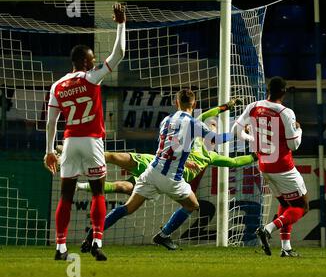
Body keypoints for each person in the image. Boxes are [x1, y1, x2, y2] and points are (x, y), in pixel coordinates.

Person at [75, 101, 257, 251]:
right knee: (118, 162)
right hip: (164, 171)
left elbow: (234, 162)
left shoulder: (211, 156)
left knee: (127, 197)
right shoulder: (196, 139)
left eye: (215, 127)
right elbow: (203, 118)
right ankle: (84, 160)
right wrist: (224, 108)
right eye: (211, 126)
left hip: (156, 173)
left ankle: (93, 232)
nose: (212, 128)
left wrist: (254, 156)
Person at [43, 3, 126, 261]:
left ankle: (60, 247)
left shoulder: (57, 86)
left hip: (68, 143)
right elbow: (119, 54)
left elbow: (50, 123)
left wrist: (48, 151)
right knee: (98, 191)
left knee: (65, 196)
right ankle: (97, 241)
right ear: (83, 61)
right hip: (92, 142)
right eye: (91, 59)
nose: (93, 62)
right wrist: (121, 24)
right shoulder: (91, 78)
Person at [103, 88, 231, 251]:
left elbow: (170, 145)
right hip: (171, 177)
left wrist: (223, 108)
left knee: (127, 208)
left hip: (153, 170)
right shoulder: (194, 124)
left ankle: (95, 234)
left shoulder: (166, 120)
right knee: (192, 205)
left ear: (176, 102)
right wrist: (238, 133)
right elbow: (217, 139)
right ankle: (163, 235)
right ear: (195, 104)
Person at [235, 76, 309, 257]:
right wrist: (299, 130)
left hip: (264, 166)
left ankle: (286, 248)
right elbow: (294, 146)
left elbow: (236, 132)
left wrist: (253, 139)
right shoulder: (285, 112)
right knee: (302, 207)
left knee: (285, 203)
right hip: (283, 167)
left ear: (267, 90)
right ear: (284, 92)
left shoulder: (254, 106)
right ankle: (267, 229)